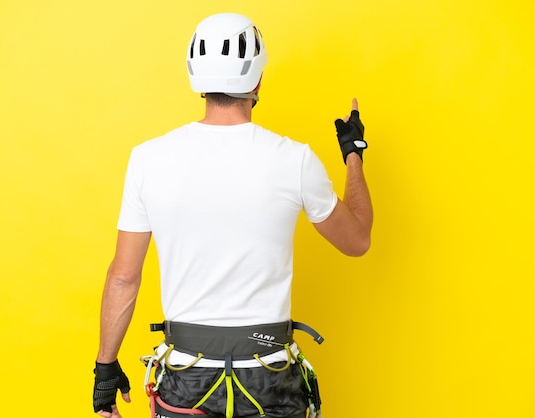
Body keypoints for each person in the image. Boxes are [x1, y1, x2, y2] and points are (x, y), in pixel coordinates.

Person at [92, 12, 372, 418]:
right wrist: (353, 154)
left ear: (197, 77)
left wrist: (105, 369)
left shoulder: (148, 159)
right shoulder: (294, 160)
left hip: (187, 376)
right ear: (257, 80)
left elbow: (123, 275)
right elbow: (358, 240)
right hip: (269, 374)